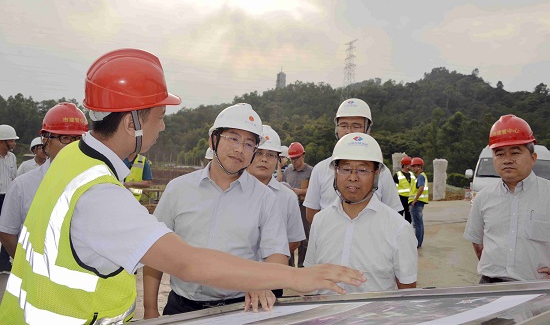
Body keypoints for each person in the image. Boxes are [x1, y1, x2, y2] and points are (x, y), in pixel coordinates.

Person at [0, 49, 365, 324]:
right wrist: (297, 277)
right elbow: (188, 262)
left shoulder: (71, 160)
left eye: (249, 142)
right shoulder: (100, 195)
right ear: (132, 122)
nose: (162, 128)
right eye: (159, 117)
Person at [144, 103, 291, 317]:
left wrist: (264, 281)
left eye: (249, 144)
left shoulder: (265, 198)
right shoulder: (179, 189)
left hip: (239, 308)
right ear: (213, 139)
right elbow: (154, 251)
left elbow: (277, 253)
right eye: (233, 138)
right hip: (182, 307)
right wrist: (149, 309)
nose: (240, 149)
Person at [304, 133, 418, 293]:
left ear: (376, 174)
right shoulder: (320, 221)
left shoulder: (398, 229)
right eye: (345, 169)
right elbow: (311, 277)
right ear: (335, 172)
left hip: (375, 317)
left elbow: (407, 293)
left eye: (362, 170)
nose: (353, 177)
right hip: (324, 316)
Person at [464, 114, 550, 283]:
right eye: (499, 154)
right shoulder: (483, 198)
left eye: (515, 152)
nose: (507, 160)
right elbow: (477, 241)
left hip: (537, 290)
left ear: (533, 158)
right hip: (490, 288)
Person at [0, 102, 88, 260]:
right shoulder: (23, 186)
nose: (73, 146)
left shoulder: (95, 182)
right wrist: (25, 266)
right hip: (35, 281)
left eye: (78, 139)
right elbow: (7, 234)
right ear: (45, 139)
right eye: (65, 138)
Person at [304, 98, 402, 225]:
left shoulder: (381, 172)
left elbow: (394, 213)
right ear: (336, 129)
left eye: (356, 126)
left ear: (368, 130)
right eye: (343, 125)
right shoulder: (320, 169)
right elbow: (312, 214)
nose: (348, 131)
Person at [247, 125, 306, 290]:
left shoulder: (287, 196)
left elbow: (294, 239)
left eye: (271, 155)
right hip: (238, 275)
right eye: (259, 153)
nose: (264, 159)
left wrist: (271, 258)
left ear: (278, 160)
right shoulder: (232, 191)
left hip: (272, 278)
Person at [282, 141, 313, 268]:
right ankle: (288, 266)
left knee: (304, 238)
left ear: (303, 155)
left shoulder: (311, 171)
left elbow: (315, 191)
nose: (294, 161)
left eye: (296, 158)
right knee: (288, 237)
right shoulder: (288, 171)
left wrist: (299, 191)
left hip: (303, 207)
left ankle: (301, 266)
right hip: (289, 208)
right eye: (292, 159)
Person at [0, 124, 19, 274]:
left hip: (7, 197)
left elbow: (14, 177)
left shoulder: (12, 157)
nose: (14, 143)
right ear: (2, 142)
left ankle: (4, 263)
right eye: (11, 141)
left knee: (9, 230)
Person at [409, 157, 428, 248]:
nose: (412, 168)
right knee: (419, 224)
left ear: (419, 167)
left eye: (414, 166)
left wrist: (415, 200)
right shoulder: (422, 176)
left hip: (417, 203)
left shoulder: (420, 176)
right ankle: (419, 242)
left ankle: (417, 243)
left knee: (417, 224)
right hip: (419, 203)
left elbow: (421, 188)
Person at [393, 156, 414, 223]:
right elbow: (393, 187)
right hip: (400, 198)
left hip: (410, 199)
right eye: (410, 165)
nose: (411, 166)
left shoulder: (412, 175)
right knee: (399, 216)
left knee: (409, 218)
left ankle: (407, 231)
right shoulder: (397, 175)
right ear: (405, 165)